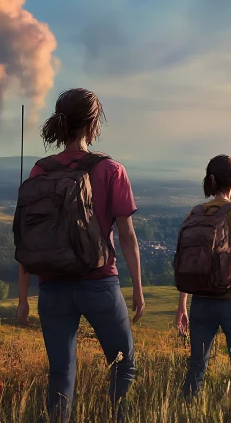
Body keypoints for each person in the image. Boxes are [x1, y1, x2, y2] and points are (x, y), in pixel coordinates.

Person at [15, 88, 145, 422]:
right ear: (93, 123)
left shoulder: (40, 171)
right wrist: (138, 290)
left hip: (52, 288)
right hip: (99, 284)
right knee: (123, 364)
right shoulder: (110, 170)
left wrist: (22, 298)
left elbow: (28, 235)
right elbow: (127, 237)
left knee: (60, 373)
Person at [175, 154, 231, 397]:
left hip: (201, 302)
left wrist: (182, 305)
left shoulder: (194, 213)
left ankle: (185, 410)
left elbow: (189, 262)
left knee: (196, 367)